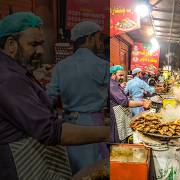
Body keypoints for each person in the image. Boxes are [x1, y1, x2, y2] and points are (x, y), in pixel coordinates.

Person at [0, 12, 109, 179]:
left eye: (41, 44)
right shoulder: (9, 78)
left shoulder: (58, 66)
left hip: (67, 125)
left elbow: (48, 99)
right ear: (11, 44)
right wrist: (109, 132)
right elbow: (48, 130)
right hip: (23, 157)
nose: (41, 50)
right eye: (34, 44)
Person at [47, 21, 108, 173]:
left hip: (69, 128)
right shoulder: (103, 65)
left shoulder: (60, 67)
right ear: (89, 38)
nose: (100, 43)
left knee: (74, 170)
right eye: (98, 38)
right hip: (94, 127)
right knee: (93, 171)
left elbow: (49, 99)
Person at [110, 65, 151, 143]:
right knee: (118, 137)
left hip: (123, 113)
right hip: (116, 116)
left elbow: (125, 95)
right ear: (113, 75)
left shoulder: (116, 84)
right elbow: (124, 102)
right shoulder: (112, 86)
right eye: (120, 75)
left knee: (124, 134)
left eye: (123, 75)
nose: (122, 77)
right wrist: (142, 103)